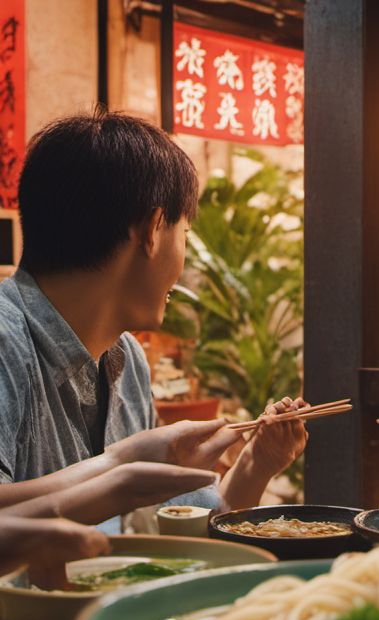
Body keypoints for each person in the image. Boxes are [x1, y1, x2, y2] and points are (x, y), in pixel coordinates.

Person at [0, 111, 306, 515]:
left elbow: (166, 527)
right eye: (185, 233)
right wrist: (119, 466)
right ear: (152, 230)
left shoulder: (126, 358)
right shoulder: (7, 340)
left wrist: (257, 464)